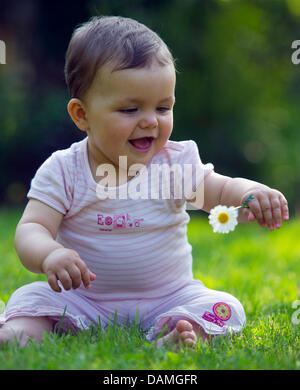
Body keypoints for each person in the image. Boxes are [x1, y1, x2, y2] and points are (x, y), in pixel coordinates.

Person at [0, 16, 289, 349]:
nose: (150, 120)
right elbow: (31, 228)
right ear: (82, 115)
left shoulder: (174, 163)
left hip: (168, 298)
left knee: (223, 308)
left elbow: (220, 190)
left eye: (163, 107)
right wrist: (50, 254)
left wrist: (251, 192)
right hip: (82, 301)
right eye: (130, 109)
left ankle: (178, 334)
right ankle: (16, 336)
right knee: (33, 301)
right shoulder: (64, 170)